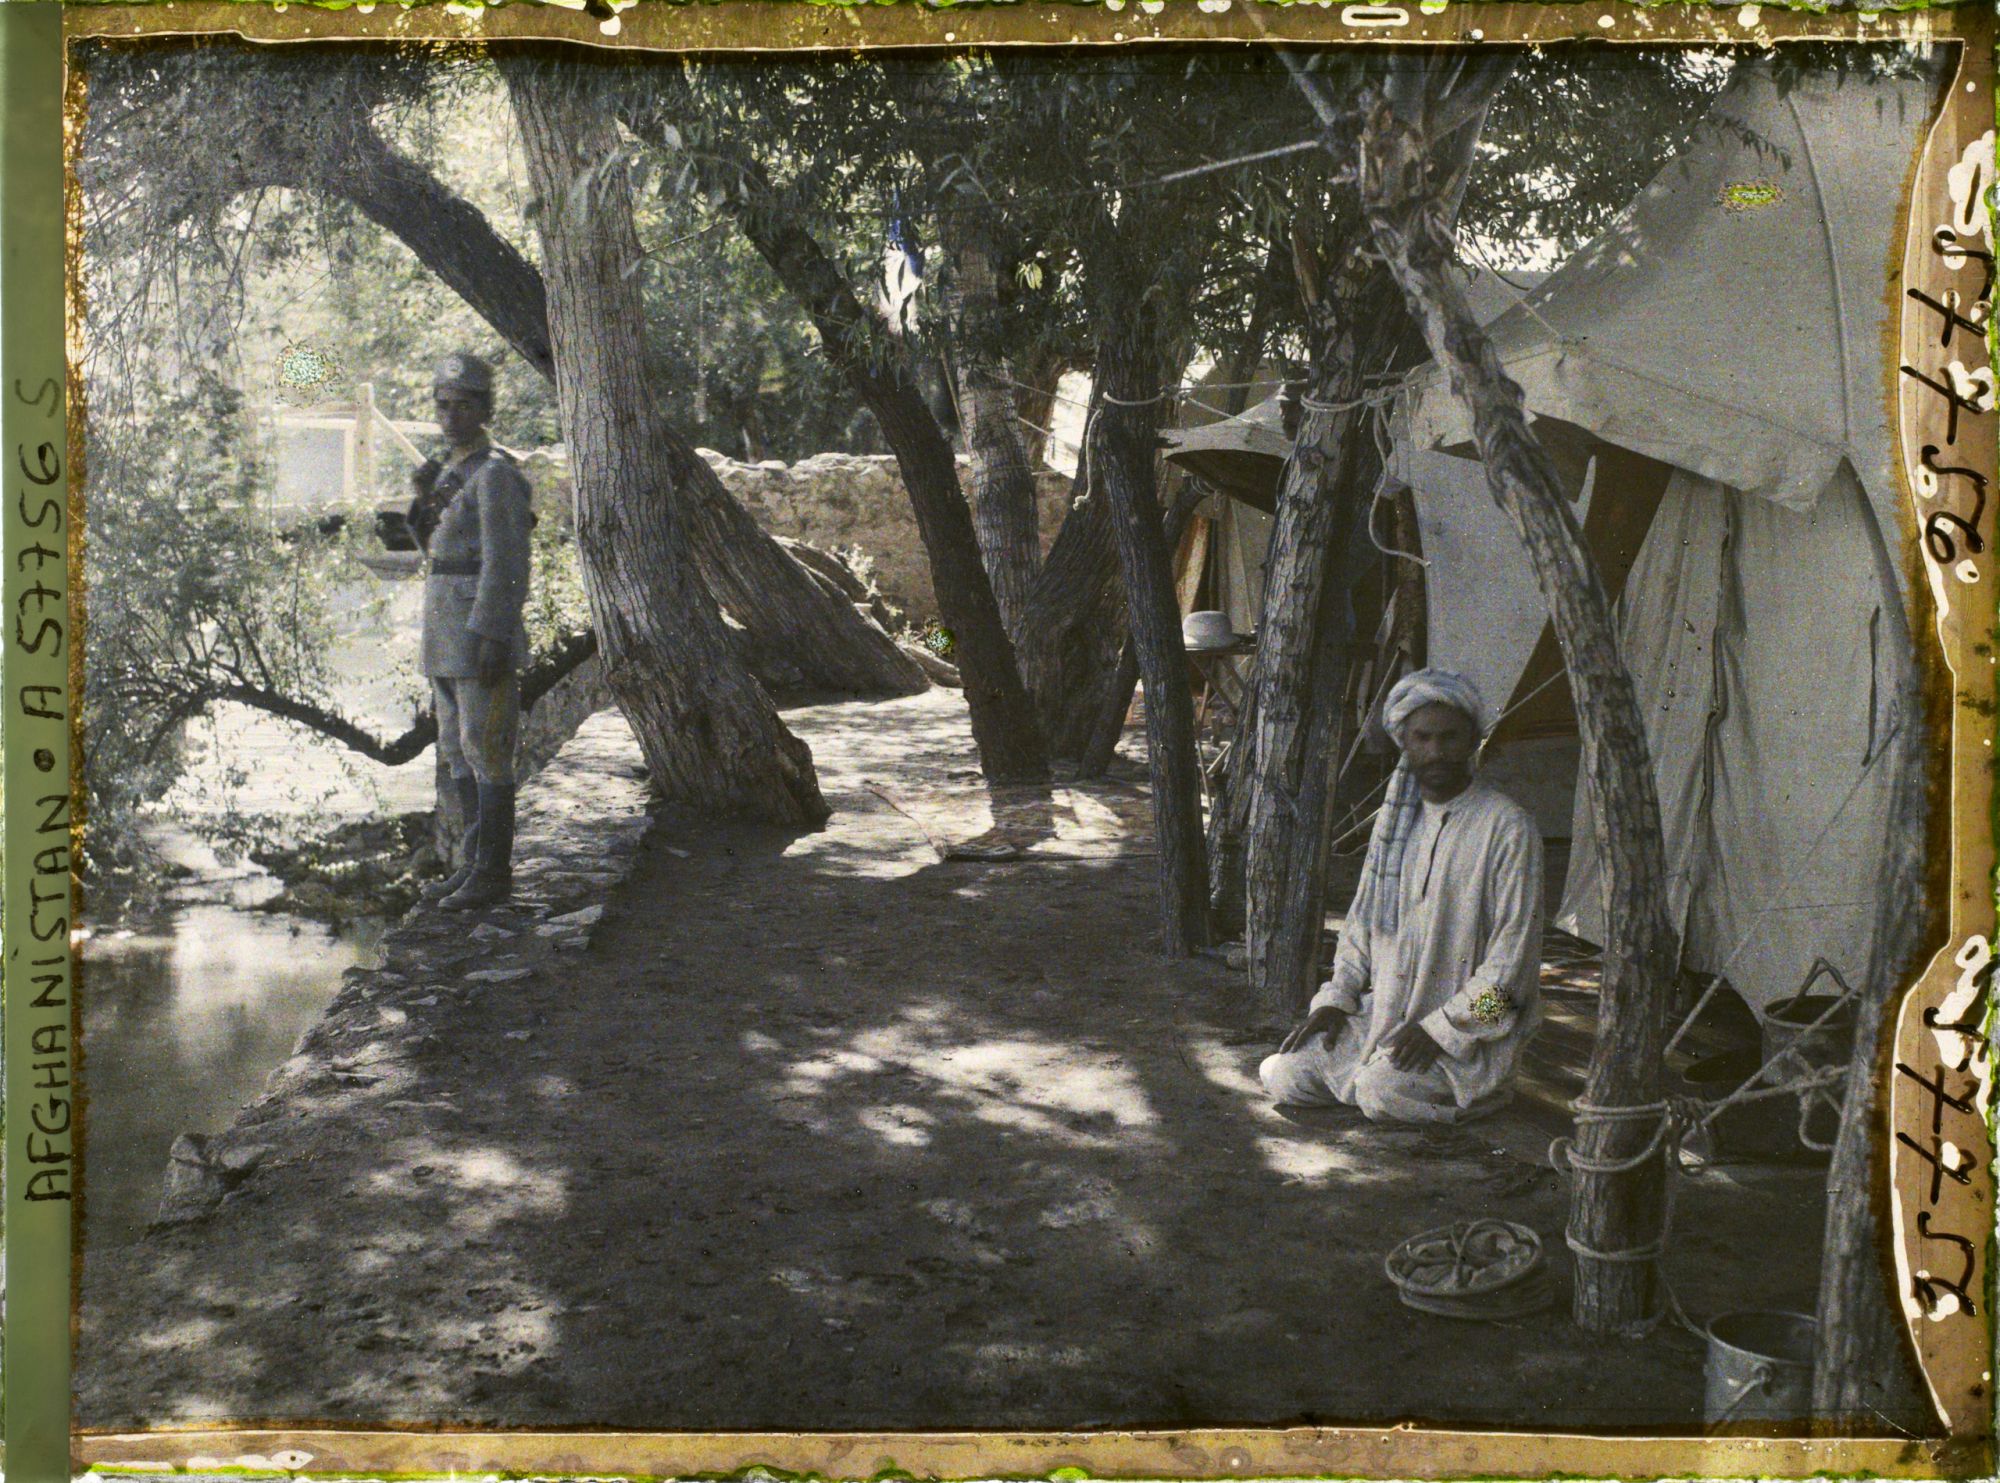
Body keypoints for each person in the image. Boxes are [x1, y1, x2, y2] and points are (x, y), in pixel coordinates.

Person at [1260, 668, 1544, 1124]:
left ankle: (1478, 1095)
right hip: (1384, 1017)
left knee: (1379, 1093)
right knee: (1284, 1074)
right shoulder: (1395, 822)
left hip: (1469, 1038)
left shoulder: (1508, 828)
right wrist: (1335, 999)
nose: (1436, 752)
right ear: (1403, 743)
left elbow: (1514, 976)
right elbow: (1360, 927)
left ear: (1473, 741)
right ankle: (1376, 1079)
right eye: (1422, 738)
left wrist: (1442, 1030)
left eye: (1449, 738)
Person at [408, 352, 534, 912]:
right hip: (444, 633)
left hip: (477, 634)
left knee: (487, 750)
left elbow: (507, 562)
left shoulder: (496, 474)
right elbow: (435, 556)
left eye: (463, 406)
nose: (451, 417)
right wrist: (423, 503)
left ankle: (492, 873)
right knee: (457, 752)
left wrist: (493, 635)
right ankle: (470, 863)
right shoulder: (448, 474)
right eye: (443, 406)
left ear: (485, 410)